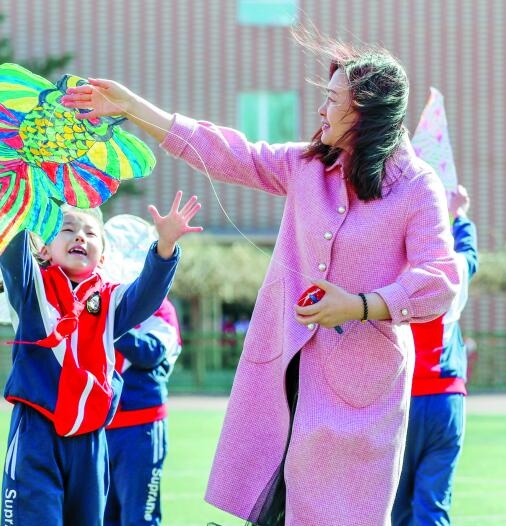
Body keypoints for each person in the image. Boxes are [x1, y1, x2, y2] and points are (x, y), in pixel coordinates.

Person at [62, 34, 459, 525]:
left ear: (366, 112)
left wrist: (359, 305)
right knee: (273, 509)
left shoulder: (418, 188)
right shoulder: (307, 166)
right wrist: (132, 107)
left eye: (333, 100)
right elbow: (229, 151)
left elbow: (440, 279)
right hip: (283, 374)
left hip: (362, 390)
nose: (321, 110)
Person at [0, 193, 201, 526]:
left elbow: (146, 294)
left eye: (91, 233)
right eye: (67, 229)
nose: (80, 236)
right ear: (45, 249)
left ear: (103, 258)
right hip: (37, 430)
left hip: (91, 439)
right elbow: (12, 243)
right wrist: (25, 192)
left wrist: (165, 247)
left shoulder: (110, 300)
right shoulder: (30, 287)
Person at [392, 185, 478, 526]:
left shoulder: (394, 274)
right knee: (433, 506)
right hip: (445, 398)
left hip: (400, 399)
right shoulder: (451, 271)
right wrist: (459, 214)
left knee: (395, 507)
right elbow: (469, 255)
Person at [104, 297, 182, 526]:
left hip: (141, 428)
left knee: (140, 518)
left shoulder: (160, 307)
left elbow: (150, 352)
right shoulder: (109, 300)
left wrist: (109, 323)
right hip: (99, 428)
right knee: (101, 518)